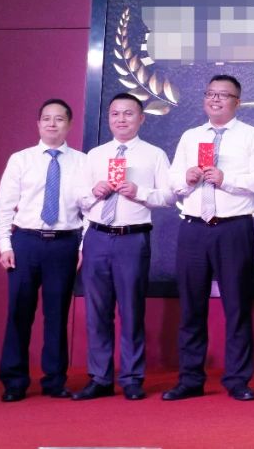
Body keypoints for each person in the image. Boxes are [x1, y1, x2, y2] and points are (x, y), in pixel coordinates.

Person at [164, 75, 254, 401]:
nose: (215, 100)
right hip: (194, 228)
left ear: (237, 102)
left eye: (223, 95)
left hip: (233, 228)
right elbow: (173, 181)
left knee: (237, 306)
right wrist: (186, 178)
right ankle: (190, 379)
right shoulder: (191, 136)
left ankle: (238, 380)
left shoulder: (252, 136)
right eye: (210, 94)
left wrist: (227, 179)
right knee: (191, 307)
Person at [73, 93, 174, 401]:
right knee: (97, 311)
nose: (121, 119)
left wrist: (139, 191)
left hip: (132, 238)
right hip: (97, 236)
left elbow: (169, 196)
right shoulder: (94, 155)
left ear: (141, 118)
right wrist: (94, 192)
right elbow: (79, 198)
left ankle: (131, 377)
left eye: (128, 113)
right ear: (109, 118)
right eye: (115, 113)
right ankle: (100, 377)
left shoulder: (154, 154)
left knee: (131, 310)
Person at [0, 99, 88, 402]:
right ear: (38, 124)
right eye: (46, 118)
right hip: (26, 242)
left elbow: (90, 209)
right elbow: (4, 207)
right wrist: (5, 245)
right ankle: (14, 381)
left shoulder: (83, 162)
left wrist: (82, 246)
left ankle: (55, 381)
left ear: (69, 124)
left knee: (57, 314)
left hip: (64, 243)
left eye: (59, 119)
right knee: (19, 312)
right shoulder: (20, 160)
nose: (52, 124)